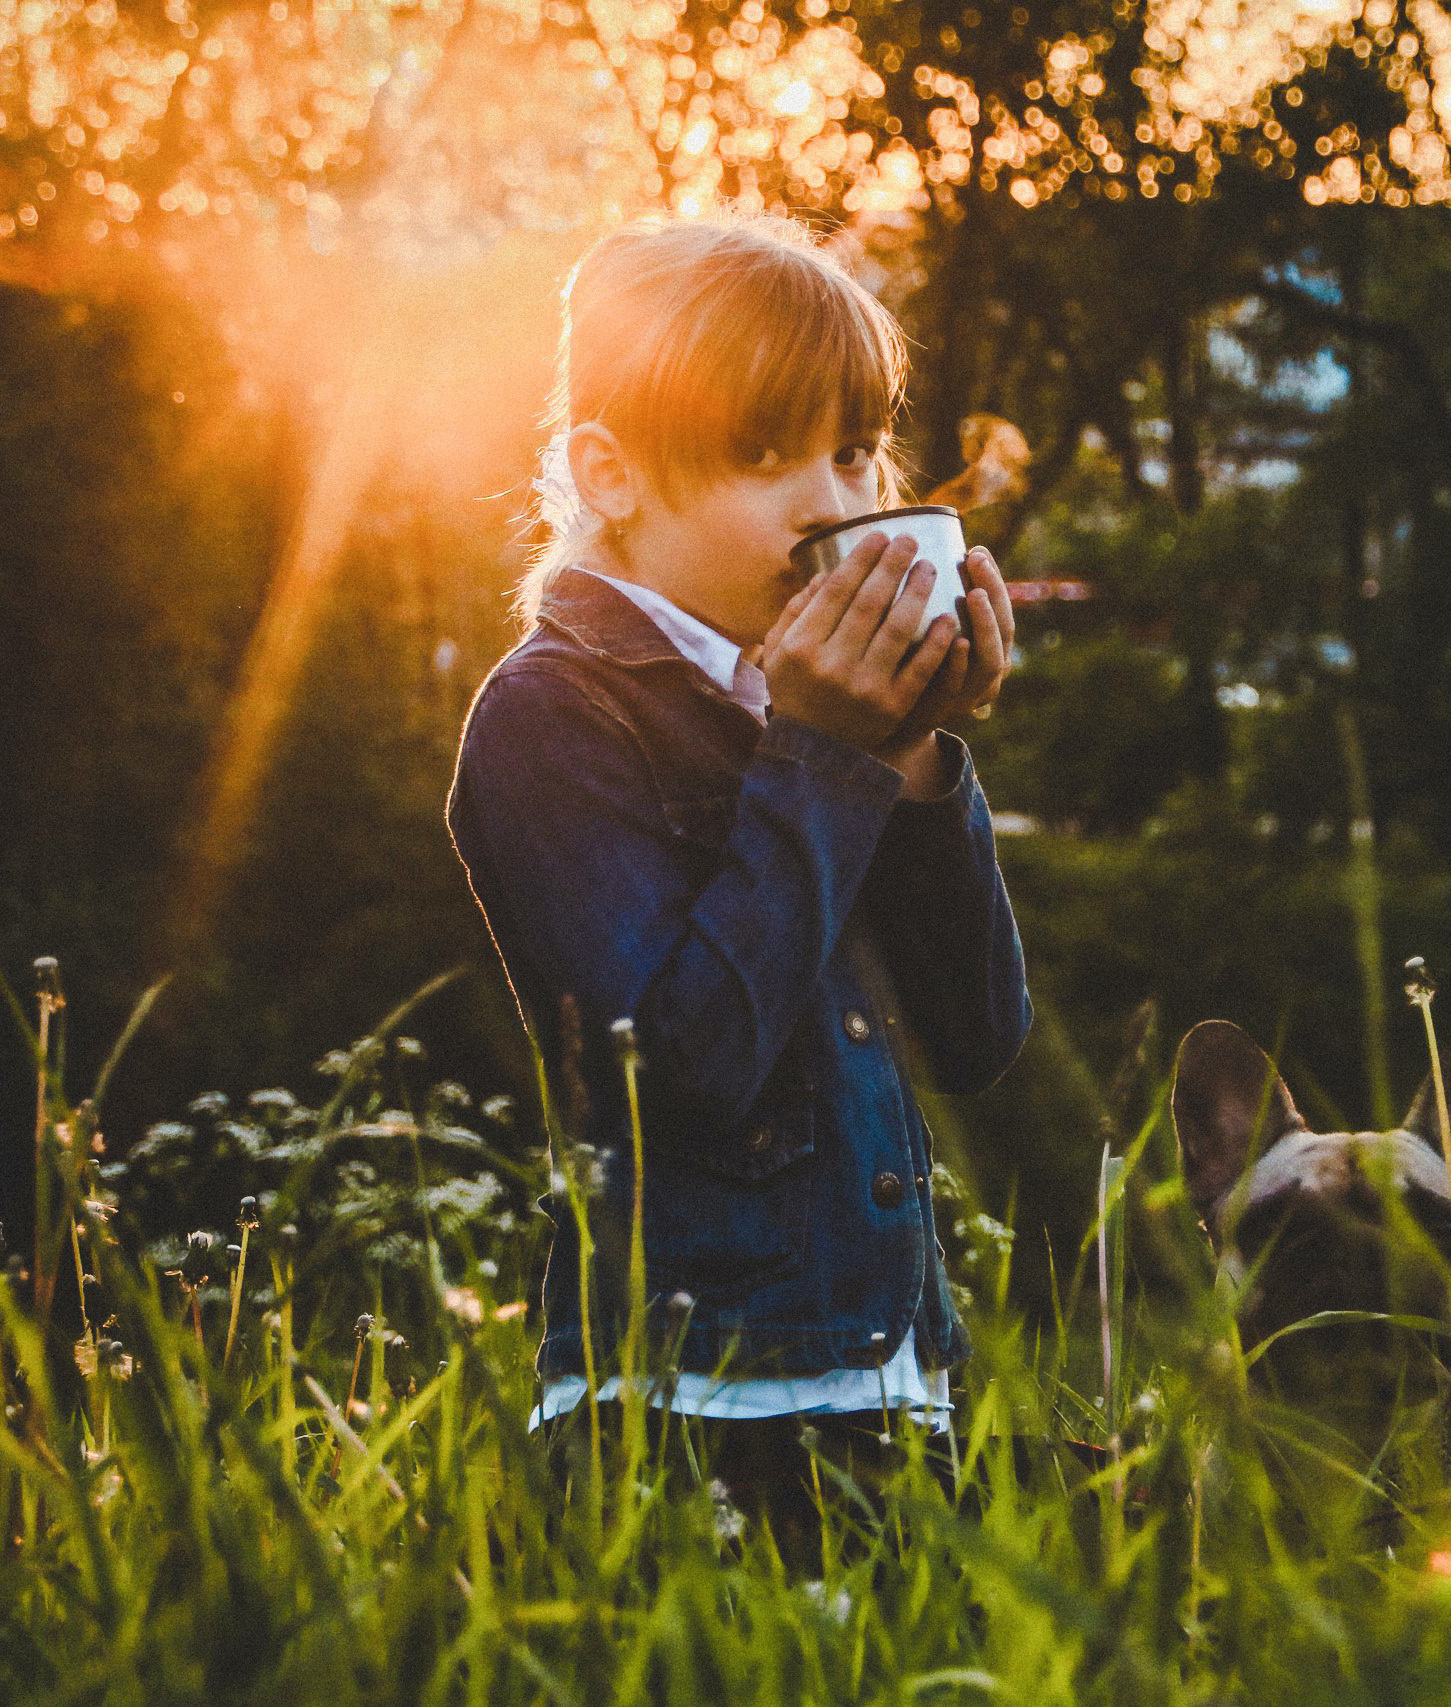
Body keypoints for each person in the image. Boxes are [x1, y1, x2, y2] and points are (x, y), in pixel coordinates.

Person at [444, 211, 1032, 1558]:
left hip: (892, 1388)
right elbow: (687, 1065)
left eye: (854, 450)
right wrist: (825, 755)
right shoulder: (551, 718)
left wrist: (917, 755)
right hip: (682, 1404)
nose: (832, 502)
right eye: (765, 456)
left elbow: (977, 1037)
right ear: (613, 474)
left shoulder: (812, 713)